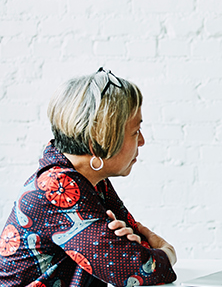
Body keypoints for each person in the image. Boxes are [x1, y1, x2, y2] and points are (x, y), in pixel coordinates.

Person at [0, 68, 177, 286]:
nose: (142, 141)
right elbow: (137, 270)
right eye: (134, 132)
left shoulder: (90, 180)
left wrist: (134, 252)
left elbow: (136, 244)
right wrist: (168, 253)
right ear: (99, 141)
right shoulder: (57, 188)